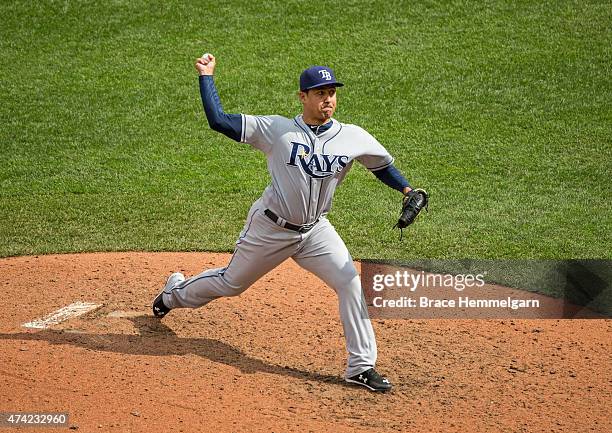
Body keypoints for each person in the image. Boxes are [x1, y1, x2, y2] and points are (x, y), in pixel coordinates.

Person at [153, 53, 417, 392]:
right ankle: (173, 294)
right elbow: (218, 121)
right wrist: (207, 76)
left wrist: (406, 188)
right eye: (320, 93)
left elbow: (380, 166)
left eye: (332, 93)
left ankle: (360, 367)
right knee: (230, 283)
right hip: (271, 228)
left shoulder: (352, 136)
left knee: (350, 281)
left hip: (315, 230)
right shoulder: (277, 129)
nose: (328, 100)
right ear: (303, 97)